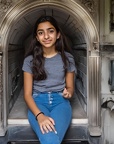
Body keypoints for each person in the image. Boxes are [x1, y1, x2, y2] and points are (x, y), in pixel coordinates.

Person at [22, 15, 76, 144]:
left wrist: (68, 92)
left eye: (50, 31)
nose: (46, 36)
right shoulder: (29, 61)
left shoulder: (67, 58)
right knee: (50, 138)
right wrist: (39, 116)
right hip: (37, 102)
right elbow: (27, 95)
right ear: (37, 37)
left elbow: (70, 87)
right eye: (41, 33)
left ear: (58, 34)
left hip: (61, 103)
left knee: (51, 138)